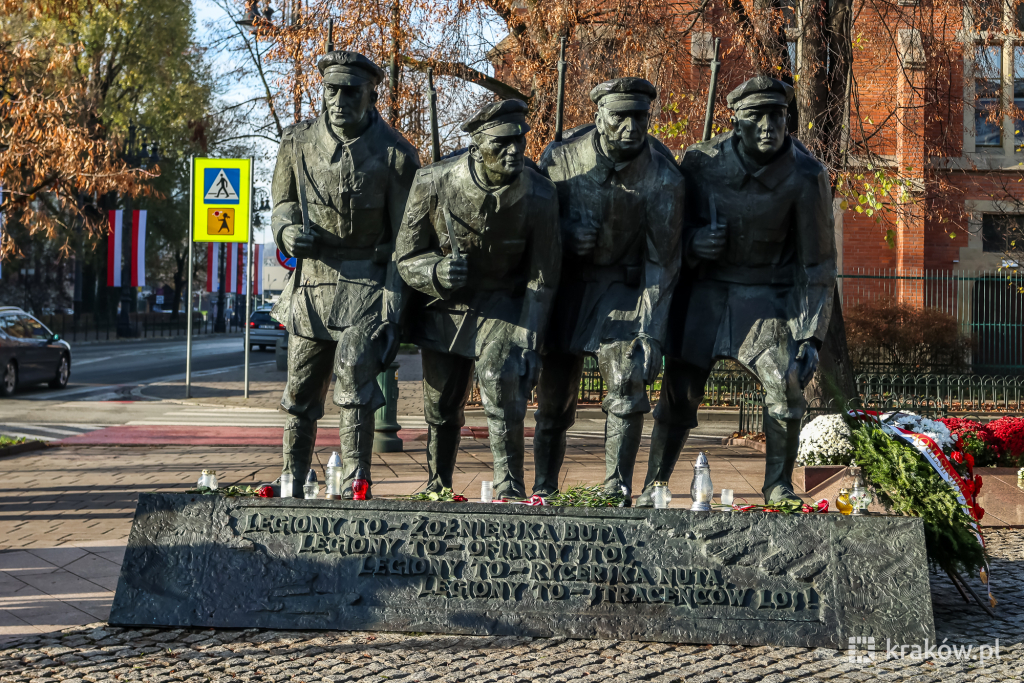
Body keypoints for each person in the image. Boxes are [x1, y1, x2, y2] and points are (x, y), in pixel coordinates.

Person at [640, 74, 837, 507]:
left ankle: (778, 486)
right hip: (705, 296)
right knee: (678, 396)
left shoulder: (806, 176)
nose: (768, 126)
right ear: (736, 121)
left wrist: (810, 335)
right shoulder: (700, 162)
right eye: (756, 116)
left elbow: (817, 263)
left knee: (785, 385)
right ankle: (655, 483)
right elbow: (666, 237)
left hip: (766, 300)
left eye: (777, 115)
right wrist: (695, 243)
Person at [270, 50, 419, 498]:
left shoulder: (396, 155)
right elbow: (282, 205)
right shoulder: (296, 143)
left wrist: (393, 311)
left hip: (366, 286)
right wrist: (287, 232)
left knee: (354, 375)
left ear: (371, 94)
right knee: (300, 391)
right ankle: (291, 478)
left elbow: (406, 241)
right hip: (312, 285)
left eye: (351, 91)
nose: (339, 100)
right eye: (331, 90)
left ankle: (357, 480)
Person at [396, 99, 561, 501]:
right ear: (476, 148)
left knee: (499, 379)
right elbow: (406, 257)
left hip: (504, 307)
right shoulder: (434, 181)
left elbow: (544, 276)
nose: (514, 151)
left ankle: (509, 485)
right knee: (440, 406)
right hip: (446, 310)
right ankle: (438, 486)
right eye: (501, 144)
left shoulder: (540, 193)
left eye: (519, 142)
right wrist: (435, 271)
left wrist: (528, 341)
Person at [533, 78, 684, 504]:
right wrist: (563, 236)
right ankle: (543, 488)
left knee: (627, 381)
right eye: (620, 116)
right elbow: (534, 227)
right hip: (567, 293)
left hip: (624, 294)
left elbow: (662, 263)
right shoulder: (560, 160)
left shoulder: (663, 178)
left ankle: (615, 489)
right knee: (553, 401)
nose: (631, 126)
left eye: (640, 116)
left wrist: (649, 331)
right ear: (599, 116)